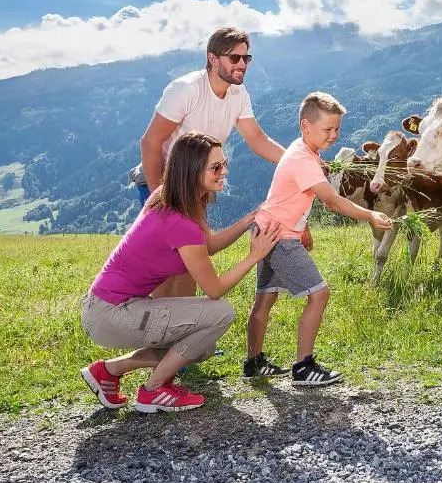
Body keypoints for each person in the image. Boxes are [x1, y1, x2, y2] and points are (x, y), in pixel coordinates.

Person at [81, 131, 282, 413]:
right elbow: (214, 289)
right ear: (191, 171)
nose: (224, 171)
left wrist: (249, 219)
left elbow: (208, 246)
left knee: (202, 346)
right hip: (110, 315)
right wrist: (254, 256)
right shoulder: (179, 221)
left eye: (224, 163)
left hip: (112, 307)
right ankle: (154, 390)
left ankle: (109, 371)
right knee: (221, 312)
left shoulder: (174, 198)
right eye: (215, 167)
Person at [133, 26, 312, 299]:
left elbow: (257, 138)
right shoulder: (186, 89)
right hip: (163, 180)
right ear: (213, 59)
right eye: (234, 58)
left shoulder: (238, 94)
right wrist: (160, 197)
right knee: (168, 261)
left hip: (196, 185)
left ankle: (183, 321)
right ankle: (154, 319)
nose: (242, 64)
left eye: (246, 58)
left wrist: (299, 162)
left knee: (191, 259)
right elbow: (150, 143)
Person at [244, 92, 392, 386]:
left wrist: (304, 227)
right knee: (319, 294)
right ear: (306, 126)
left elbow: (292, 197)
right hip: (279, 237)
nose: (334, 135)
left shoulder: (302, 151)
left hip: (267, 229)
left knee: (265, 297)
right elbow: (332, 201)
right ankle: (303, 367)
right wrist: (371, 215)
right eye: (327, 129)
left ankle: (254, 362)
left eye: (337, 129)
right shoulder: (303, 159)